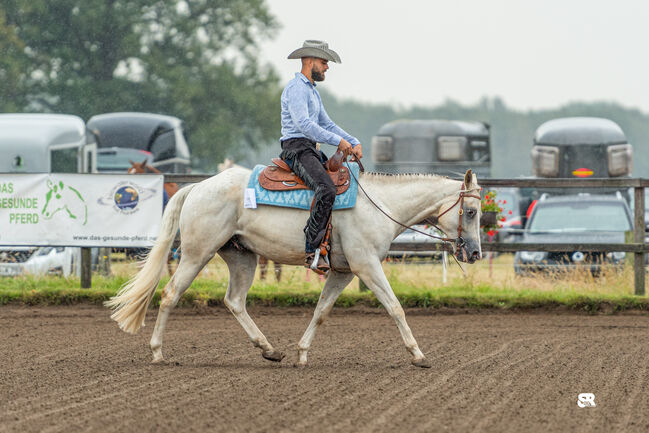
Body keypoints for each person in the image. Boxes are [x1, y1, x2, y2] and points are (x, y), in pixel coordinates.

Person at [279, 40, 363, 273]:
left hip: (309, 149)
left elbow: (326, 123)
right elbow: (304, 124)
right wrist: (339, 142)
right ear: (309, 61)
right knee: (326, 188)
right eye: (324, 62)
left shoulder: (311, 90)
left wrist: (352, 141)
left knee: (338, 181)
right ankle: (313, 250)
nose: (327, 67)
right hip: (296, 149)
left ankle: (332, 243)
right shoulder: (297, 88)